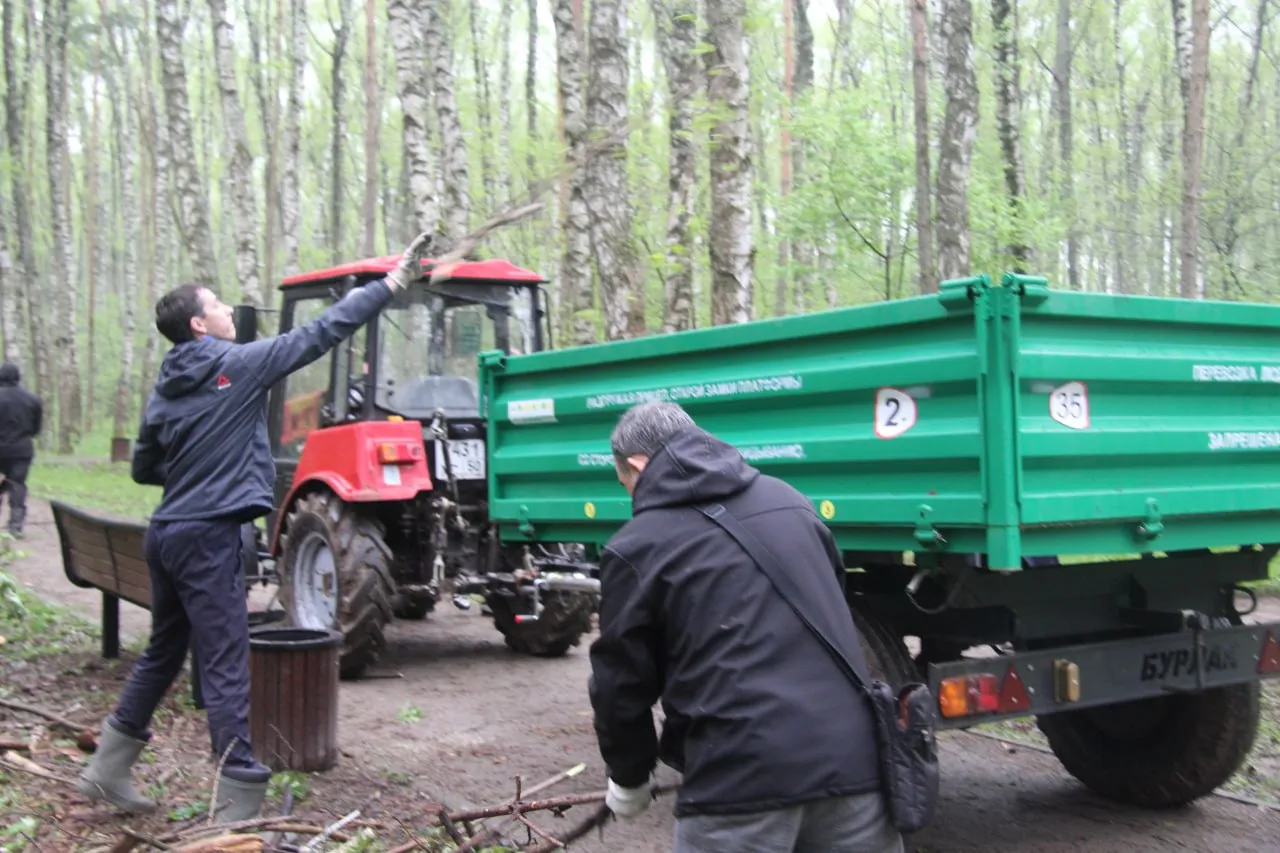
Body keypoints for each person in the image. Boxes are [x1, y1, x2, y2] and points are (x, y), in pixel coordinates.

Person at [75, 235, 434, 821]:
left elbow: (144, 467)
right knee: (225, 661)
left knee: (165, 650)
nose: (227, 311)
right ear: (199, 325)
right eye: (217, 305)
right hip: (208, 536)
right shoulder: (237, 365)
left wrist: (195, 469)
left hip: (166, 534)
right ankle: (237, 807)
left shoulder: (164, 387)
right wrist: (391, 284)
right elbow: (321, 332)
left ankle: (108, 768)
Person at [589, 401, 904, 853]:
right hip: (856, 764)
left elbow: (620, 684)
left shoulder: (636, 546)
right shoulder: (791, 501)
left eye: (627, 486)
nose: (633, 500)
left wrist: (629, 779)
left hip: (738, 781)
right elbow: (832, 609)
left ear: (638, 465)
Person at [0, 362, 42, 538]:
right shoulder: (32, 399)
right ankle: (16, 525)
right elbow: (36, 428)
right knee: (17, 484)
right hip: (22, 450)